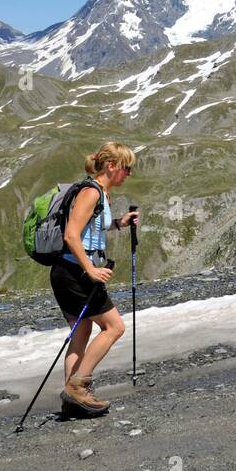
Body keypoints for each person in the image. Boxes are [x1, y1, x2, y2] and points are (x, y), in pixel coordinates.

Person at [52, 141, 139, 415]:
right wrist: (90, 269)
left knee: (81, 332)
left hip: (65, 272)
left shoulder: (98, 193)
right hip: (76, 272)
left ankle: (72, 400)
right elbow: (71, 235)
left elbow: (90, 228)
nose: (129, 174)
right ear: (111, 166)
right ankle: (79, 386)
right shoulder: (91, 192)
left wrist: (118, 224)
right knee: (114, 327)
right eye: (127, 168)